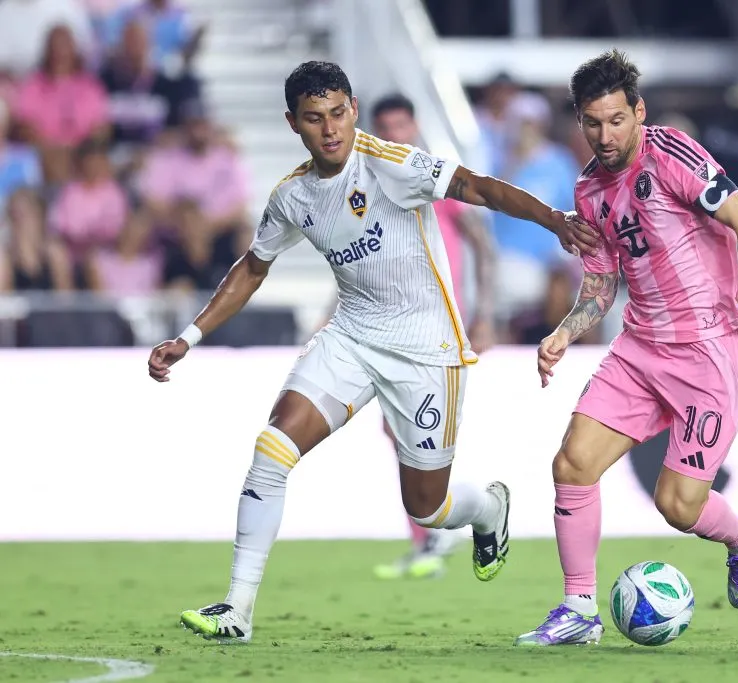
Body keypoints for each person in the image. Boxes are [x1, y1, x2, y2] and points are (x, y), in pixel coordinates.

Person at [147, 61, 596, 644]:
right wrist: (190, 336)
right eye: (315, 118)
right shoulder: (293, 196)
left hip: (425, 349)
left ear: (352, 109)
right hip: (353, 336)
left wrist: (555, 220)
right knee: (272, 448)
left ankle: (487, 510)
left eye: (338, 113)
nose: (330, 128)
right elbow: (252, 268)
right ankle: (237, 608)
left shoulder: (389, 164)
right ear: (293, 123)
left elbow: (477, 187)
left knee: (426, 508)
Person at [514, 50, 738, 647]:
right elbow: (602, 285)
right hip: (640, 348)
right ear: (579, 122)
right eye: (593, 123)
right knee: (571, 465)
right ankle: (578, 609)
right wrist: (564, 332)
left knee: (678, 506)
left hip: (710, 351)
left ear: (639, 112)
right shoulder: (587, 193)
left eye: (617, 121)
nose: (606, 136)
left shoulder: (673, 153)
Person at [368, 92, 498, 580]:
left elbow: (484, 246)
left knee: (420, 429)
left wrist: (484, 315)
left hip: (441, 324)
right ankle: (431, 538)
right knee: (396, 429)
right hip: (392, 326)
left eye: (403, 125)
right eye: (387, 127)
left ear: (415, 127)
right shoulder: (374, 183)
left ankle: (450, 525)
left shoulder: (436, 177)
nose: (396, 135)